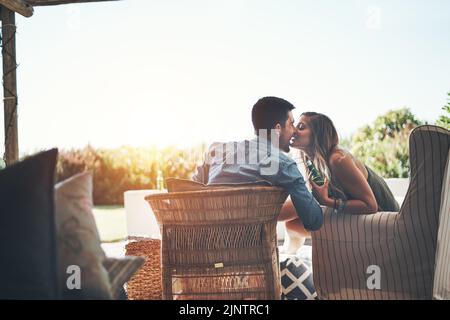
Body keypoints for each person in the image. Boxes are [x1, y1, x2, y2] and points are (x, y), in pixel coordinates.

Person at [192, 96, 323, 232]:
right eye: (291, 124)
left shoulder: (217, 150)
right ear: (277, 129)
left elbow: (187, 191)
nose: (295, 130)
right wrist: (318, 195)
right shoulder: (284, 165)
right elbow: (313, 221)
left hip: (205, 241)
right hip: (251, 246)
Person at [281, 111, 400, 252]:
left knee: (300, 205)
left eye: (301, 127)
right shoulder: (315, 162)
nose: (293, 130)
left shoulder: (337, 159)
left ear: (317, 135)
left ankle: (259, 222)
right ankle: (288, 258)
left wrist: (327, 201)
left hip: (384, 224)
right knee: (292, 224)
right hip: (364, 218)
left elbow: (371, 205)